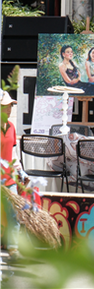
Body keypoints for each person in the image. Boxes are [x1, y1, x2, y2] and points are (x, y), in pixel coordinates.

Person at [1, 91, 21, 260]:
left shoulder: (11, 127)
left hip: (9, 178)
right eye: (5, 106)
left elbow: (13, 152)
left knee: (14, 213)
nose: (8, 110)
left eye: (10, 106)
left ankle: (13, 249)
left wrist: (20, 170)